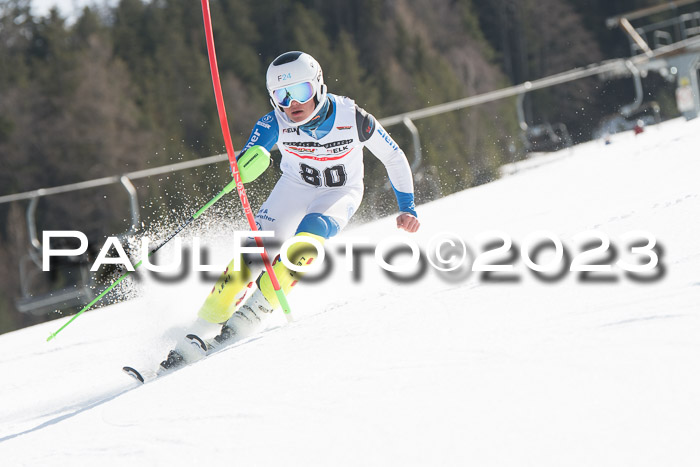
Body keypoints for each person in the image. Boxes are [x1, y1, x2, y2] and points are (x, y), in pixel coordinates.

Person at [162, 51, 420, 368]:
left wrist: (408, 207)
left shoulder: (352, 117)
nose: (291, 104)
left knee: (303, 246)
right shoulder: (275, 121)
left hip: (340, 192)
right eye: (281, 96)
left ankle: (252, 314)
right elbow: (253, 152)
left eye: (300, 92)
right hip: (294, 187)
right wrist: (246, 163)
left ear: (318, 86)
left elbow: (393, 157)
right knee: (253, 254)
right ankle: (201, 328)